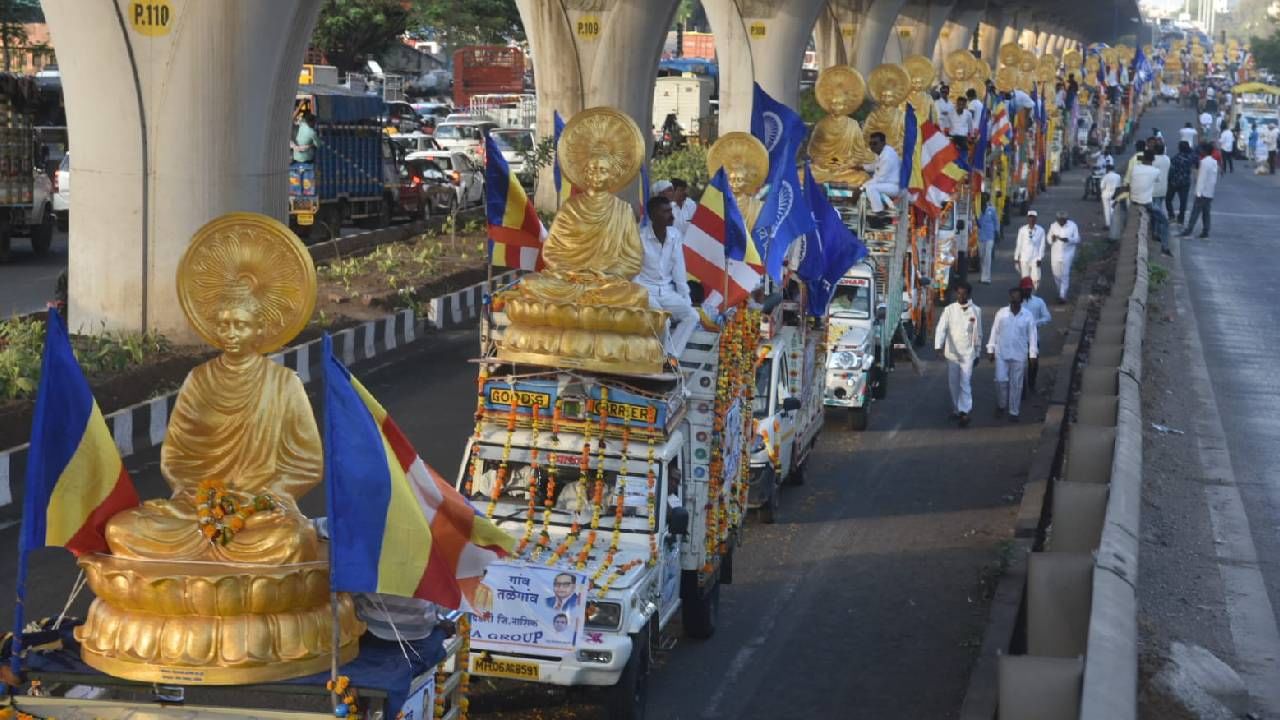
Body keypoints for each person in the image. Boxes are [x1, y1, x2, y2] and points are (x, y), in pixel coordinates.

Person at [637, 196, 699, 359]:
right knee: (663, 321)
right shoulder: (640, 238)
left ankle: (670, 356)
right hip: (645, 290)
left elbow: (679, 270)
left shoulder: (675, 235)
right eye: (665, 212)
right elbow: (633, 273)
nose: (671, 216)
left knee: (692, 316)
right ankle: (656, 359)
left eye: (670, 211)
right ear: (653, 215)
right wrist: (641, 294)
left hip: (667, 291)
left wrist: (686, 298)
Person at [987, 287, 1039, 422]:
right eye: (1012, 298)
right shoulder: (1001, 313)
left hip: (1019, 355)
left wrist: (1032, 354)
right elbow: (994, 331)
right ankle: (1001, 405)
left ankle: (1014, 411)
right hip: (1001, 353)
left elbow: (1032, 335)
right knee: (1000, 380)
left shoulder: (1027, 316)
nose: (1014, 300)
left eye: (1017, 298)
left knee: (1017, 384)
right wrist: (990, 349)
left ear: (1021, 300)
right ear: (1009, 298)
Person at [934, 281, 982, 427]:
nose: (961, 296)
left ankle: (965, 411)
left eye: (964, 293)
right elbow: (941, 328)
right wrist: (938, 346)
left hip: (968, 353)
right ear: (956, 293)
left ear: (969, 294)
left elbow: (978, 333)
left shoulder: (976, 311)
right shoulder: (949, 310)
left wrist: (978, 352)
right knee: (953, 384)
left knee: (965, 383)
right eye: (959, 293)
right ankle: (957, 409)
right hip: (952, 355)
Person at [1018, 277, 1051, 394]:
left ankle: (1032, 383)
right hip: (1019, 338)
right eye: (1025, 289)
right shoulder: (1016, 303)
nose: (1027, 291)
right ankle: (1021, 386)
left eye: (1029, 289)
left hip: (1033, 338)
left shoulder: (1038, 302)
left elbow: (1047, 317)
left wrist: (1036, 323)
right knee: (1019, 363)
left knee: (1034, 362)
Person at [1180, 142, 1218, 240]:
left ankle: (1189, 230)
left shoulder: (1204, 162)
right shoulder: (1214, 162)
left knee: (1195, 212)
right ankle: (1205, 231)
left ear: (1204, 151)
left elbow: (1202, 178)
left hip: (1202, 192)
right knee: (1206, 213)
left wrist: (1198, 192)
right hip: (1210, 191)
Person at [861, 132, 901, 214]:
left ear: (883, 143)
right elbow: (876, 166)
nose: (872, 146)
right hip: (887, 183)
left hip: (894, 186)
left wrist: (861, 187)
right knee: (869, 186)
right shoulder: (882, 152)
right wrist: (861, 167)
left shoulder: (887, 156)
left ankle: (879, 212)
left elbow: (879, 179)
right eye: (870, 144)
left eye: (875, 143)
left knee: (871, 188)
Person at [1047, 210, 1080, 303]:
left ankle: (1062, 295)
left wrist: (1068, 239)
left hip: (1068, 254)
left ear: (1066, 219)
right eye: (1059, 220)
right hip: (1055, 254)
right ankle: (1060, 292)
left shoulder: (1073, 225)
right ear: (1057, 219)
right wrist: (1051, 239)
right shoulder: (1053, 226)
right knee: (1056, 274)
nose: (1061, 222)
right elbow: (1048, 239)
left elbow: (1077, 239)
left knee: (1065, 274)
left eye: (1063, 220)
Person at [1129, 152, 1159, 245]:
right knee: (1163, 220)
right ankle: (1157, 235)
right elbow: (1157, 180)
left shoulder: (1135, 168)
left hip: (1133, 199)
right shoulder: (1156, 171)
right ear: (1152, 161)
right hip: (1146, 202)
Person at [1013, 210, 1046, 291]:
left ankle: (1033, 295)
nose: (1031, 219)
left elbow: (1042, 245)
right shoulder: (1022, 230)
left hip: (1035, 258)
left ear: (1036, 219)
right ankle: (1026, 297)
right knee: (1025, 280)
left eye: (1033, 218)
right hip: (1024, 258)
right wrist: (1016, 258)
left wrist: (1040, 258)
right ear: (1027, 219)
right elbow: (1019, 244)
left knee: (1036, 279)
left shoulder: (1041, 230)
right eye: (1030, 217)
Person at [1168, 141, 1195, 224]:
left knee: (1168, 200)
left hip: (1174, 182)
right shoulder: (1190, 158)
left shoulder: (1175, 158)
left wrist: (1169, 180)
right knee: (1183, 201)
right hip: (1185, 182)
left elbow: (1171, 170)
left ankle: (1171, 215)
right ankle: (1181, 218)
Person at [977, 198, 999, 284]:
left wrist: (997, 232)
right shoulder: (977, 211)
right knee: (981, 257)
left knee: (988, 257)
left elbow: (996, 221)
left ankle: (987, 278)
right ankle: (983, 276)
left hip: (990, 236)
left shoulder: (991, 210)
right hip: (980, 237)